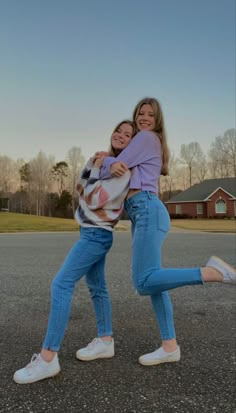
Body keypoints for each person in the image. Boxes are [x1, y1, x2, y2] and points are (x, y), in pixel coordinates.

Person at [99, 97, 236, 366]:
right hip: (143, 212)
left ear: (157, 119)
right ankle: (169, 346)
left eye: (150, 114)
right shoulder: (144, 140)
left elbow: (117, 168)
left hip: (147, 209)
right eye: (141, 113)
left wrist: (103, 161)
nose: (144, 118)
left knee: (143, 281)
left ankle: (213, 273)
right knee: (155, 282)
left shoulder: (148, 137)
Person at [13, 120, 135, 384]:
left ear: (133, 143)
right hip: (90, 232)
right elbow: (79, 188)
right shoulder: (104, 164)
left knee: (60, 285)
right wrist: (98, 163)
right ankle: (105, 340)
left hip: (96, 235)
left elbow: (91, 198)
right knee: (97, 288)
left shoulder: (123, 171)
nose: (121, 136)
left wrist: (100, 167)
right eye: (119, 130)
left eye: (128, 135)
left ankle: (48, 358)